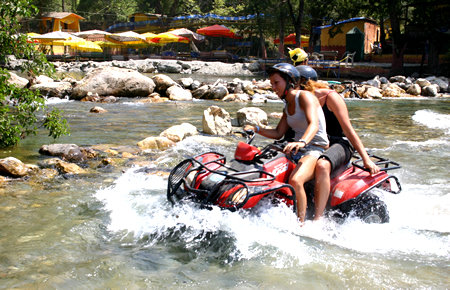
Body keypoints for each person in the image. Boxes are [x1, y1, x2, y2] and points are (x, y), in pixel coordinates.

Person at [244, 63, 328, 223]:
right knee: (261, 163)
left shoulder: (304, 97)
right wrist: (256, 128)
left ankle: (301, 224)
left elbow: (314, 124)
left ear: (290, 81)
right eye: (272, 84)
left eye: (276, 83)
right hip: (296, 146)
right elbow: (278, 133)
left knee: (296, 180)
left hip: (315, 148)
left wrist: (302, 142)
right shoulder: (287, 105)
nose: (273, 88)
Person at [295, 65, 380, 220]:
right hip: (317, 143)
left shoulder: (330, 97)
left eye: (294, 83)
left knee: (322, 165)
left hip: (340, 143)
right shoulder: (298, 100)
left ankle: (318, 219)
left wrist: (366, 159)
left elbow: (348, 130)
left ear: (304, 83)